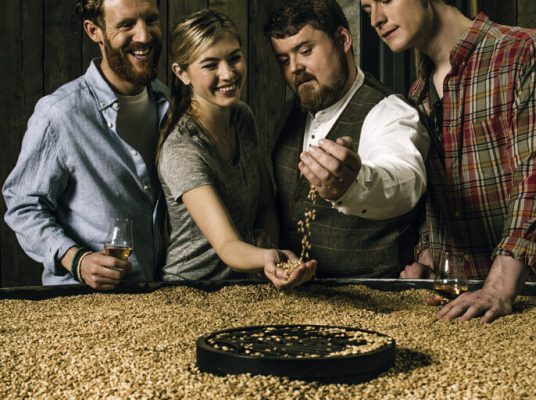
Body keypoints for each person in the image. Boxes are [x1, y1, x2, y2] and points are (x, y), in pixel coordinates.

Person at [360, 0, 536, 321]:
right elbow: (436, 200)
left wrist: (499, 286)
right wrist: (429, 259)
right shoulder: (417, 94)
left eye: (385, 0)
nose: (376, 18)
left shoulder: (526, 51)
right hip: (463, 305)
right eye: (366, 8)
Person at [2, 0, 167, 290]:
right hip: (83, 302)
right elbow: (23, 205)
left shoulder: (171, 103)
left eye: (150, 20)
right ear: (95, 31)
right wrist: (77, 260)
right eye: (127, 25)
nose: (144, 36)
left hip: (161, 298)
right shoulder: (60, 113)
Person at [264, 0, 429, 278]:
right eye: (284, 59)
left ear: (343, 39)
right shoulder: (293, 111)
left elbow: (404, 180)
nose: (295, 68)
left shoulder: (390, 113)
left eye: (305, 51)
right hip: (297, 299)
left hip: (373, 300)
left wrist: (354, 184)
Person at [157, 10, 316, 289]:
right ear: (182, 73)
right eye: (210, 65)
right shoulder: (182, 149)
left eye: (234, 58)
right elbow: (227, 246)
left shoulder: (242, 116)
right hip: (191, 289)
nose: (228, 74)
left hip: (245, 286)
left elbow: (266, 204)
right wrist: (271, 257)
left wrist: (270, 259)